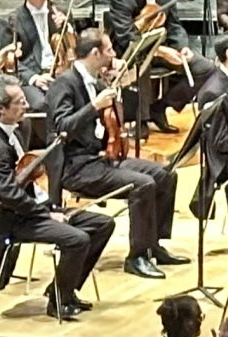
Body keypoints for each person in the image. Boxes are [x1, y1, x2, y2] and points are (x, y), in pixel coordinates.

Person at [46, 30, 183, 282]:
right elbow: (62, 127)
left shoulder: (96, 80)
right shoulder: (64, 84)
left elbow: (115, 120)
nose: (114, 54)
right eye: (109, 50)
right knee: (142, 185)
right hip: (76, 166)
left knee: (164, 175)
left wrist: (115, 90)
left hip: (102, 156)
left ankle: (153, 244)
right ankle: (137, 257)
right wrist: (93, 106)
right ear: (95, 53)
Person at [0, 79, 115, 321]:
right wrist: (46, 214)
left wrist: (49, 207)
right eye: (20, 102)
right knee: (77, 239)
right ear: (1, 108)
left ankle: (62, 289)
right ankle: (58, 302)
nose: (27, 105)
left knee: (103, 224)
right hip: (17, 219)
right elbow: (8, 194)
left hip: (37, 208)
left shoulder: (20, 128)